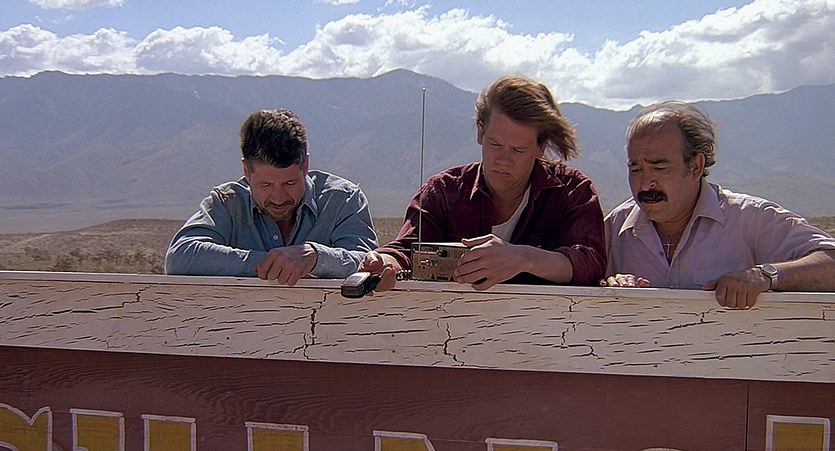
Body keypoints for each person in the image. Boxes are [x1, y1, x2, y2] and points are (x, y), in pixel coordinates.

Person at [360, 74, 606, 291]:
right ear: (480, 132)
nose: (503, 160)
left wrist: (524, 258)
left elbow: (590, 262)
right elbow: (407, 251)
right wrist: (384, 264)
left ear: (541, 147)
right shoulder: (442, 193)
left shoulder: (571, 192)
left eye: (518, 150)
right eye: (495, 144)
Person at [603, 100, 835, 308]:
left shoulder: (750, 220)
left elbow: (830, 260)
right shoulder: (614, 229)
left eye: (659, 168)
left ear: (696, 167)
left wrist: (764, 276)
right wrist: (609, 286)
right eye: (635, 169)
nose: (645, 184)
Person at [165, 108, 378, 284]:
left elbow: (368, 264)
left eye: (289, 183)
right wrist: (267, 263)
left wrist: (315, 257)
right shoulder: (228, 203)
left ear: (305, 165)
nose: (278, 198)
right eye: (265, 184)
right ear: (246, 171)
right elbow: (180, 256)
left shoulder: (342, 200)